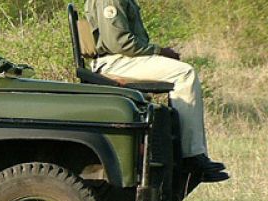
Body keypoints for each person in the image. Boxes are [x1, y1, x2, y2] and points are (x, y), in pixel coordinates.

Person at [84, 0, 228, 182]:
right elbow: (118, 43)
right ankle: (191, 155)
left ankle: (183, 149)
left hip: (119, 59)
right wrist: (159, 51)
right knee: (185, 73)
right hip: (116, 62)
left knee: (182, 71)